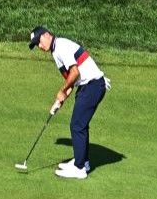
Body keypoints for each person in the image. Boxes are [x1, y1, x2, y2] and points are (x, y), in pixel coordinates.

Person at [28, 26, 110, 179]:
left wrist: (62, 90)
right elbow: (70, 81)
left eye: (39, 42)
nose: (39, 46)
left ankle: (79, 169)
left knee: (77, 125)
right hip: (87, 86)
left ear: (46, 35)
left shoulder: (61, 46)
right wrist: (59, 100)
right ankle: (83, 162)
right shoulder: (55, 51)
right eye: (36, 45)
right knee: (80, 125)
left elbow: (75, 73)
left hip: (93, 85)